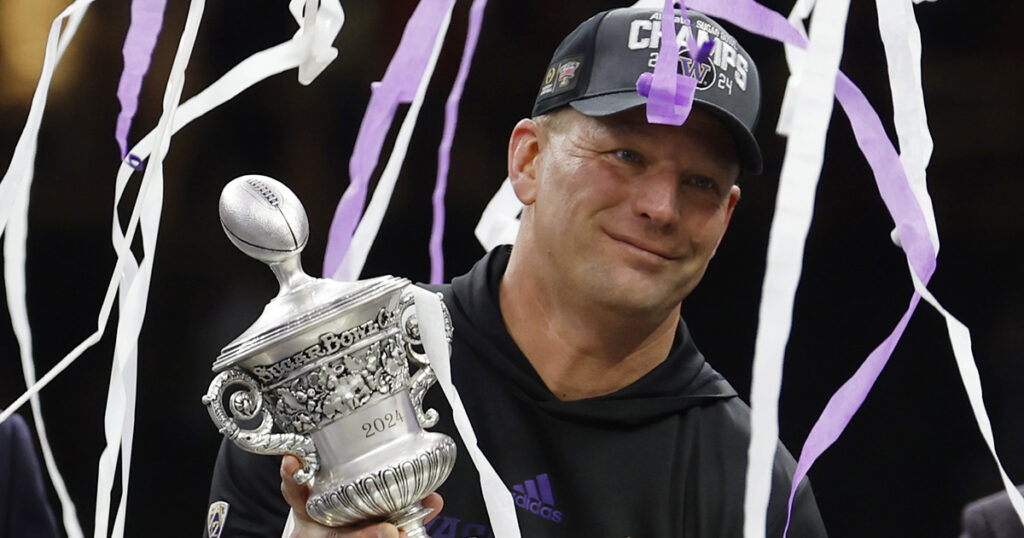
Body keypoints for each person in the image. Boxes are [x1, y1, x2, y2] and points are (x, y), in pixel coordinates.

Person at [205, 6, 827, 537]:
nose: (661, 207)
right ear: (528, 161)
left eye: (700, 182)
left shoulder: (755, 495)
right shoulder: (337, 375)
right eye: (627, 154)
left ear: (726, 217)